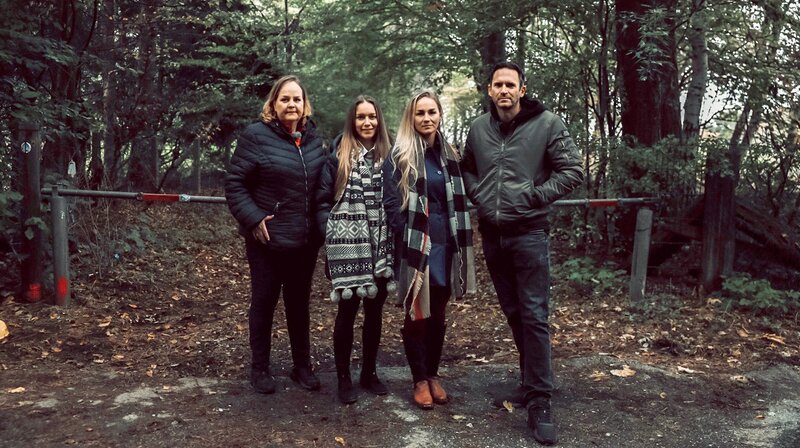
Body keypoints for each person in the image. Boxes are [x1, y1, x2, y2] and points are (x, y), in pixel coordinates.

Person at [461, 62, 584, 445]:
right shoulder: (479, 128)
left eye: (510, 84)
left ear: (521, 89)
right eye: (498, 84)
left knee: (534, 315)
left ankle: (540, 401)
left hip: (529, 233)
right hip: (492, 235)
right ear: (489, 89)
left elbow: (573, 170)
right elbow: (467, 170)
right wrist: (479, 194)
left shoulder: (547, 123)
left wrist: (535, 196)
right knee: (514, 313)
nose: (504, 90)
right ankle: (530, 382)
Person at [225, 75, 327, 395]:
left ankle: (302, 366)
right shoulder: (255, 136)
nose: (291, 104)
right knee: (264, 302)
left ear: (305, 104)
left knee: (299, 304)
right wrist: (254, 218)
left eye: (297, 99)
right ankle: (259, 368)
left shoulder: (313, 139)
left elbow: (322, 185)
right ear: (273, 103)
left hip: (304, 241)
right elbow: (235, 184)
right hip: (266, 241)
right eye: (285, 99)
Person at [382, 90, 476, 410]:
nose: (426, 118)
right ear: (411, 118)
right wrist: (406, 236)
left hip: (447, 241)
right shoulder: (400, 155)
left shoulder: (449, 154)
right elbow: (391, 203)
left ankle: (433, 374)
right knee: (417, 312)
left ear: (439, 115)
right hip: (416, 243)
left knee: (438, 311)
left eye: (431, 112)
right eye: (420, 113)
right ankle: (419, 379)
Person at [315, 95, 394, 404]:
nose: (367, 122)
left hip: (381, 247)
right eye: (361, 117)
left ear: (379, 120)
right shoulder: (338, 158)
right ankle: (343, 377)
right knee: (347, 312)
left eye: (372, 116)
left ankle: (369, 373)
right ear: (352, 121)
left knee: (375, 313)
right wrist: (333, 233)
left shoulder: (390, 157)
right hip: (347, 246)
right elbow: (322, 200)